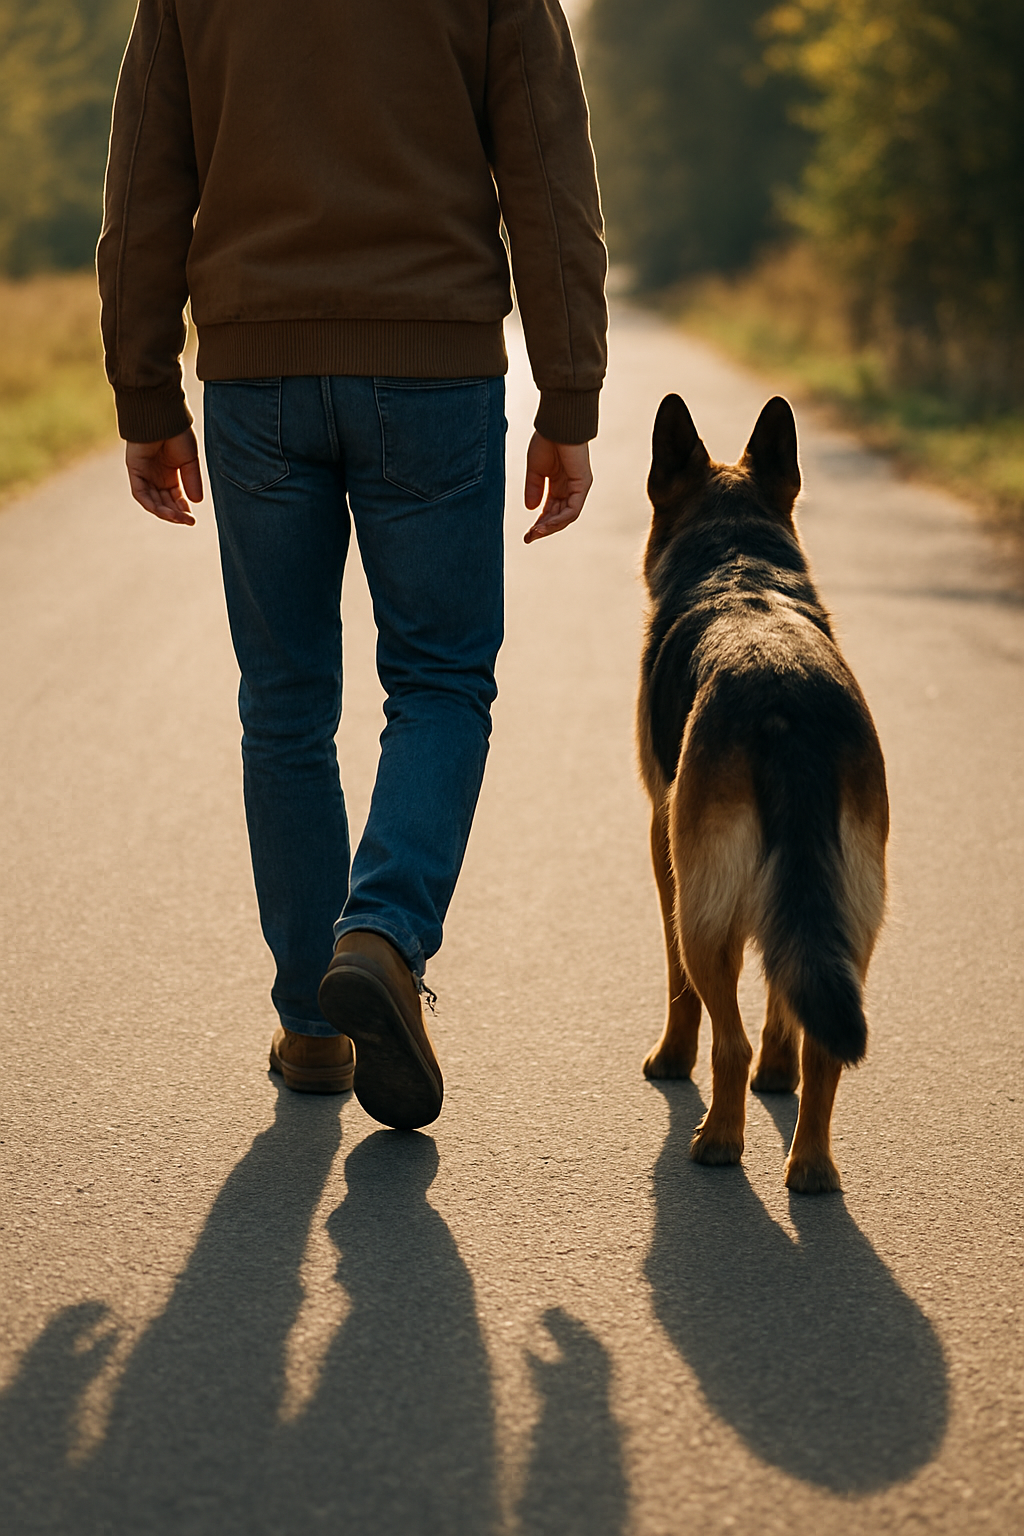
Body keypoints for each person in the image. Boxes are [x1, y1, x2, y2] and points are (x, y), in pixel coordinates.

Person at [98, 0, 607, 1131]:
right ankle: (378, 934)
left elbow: (144, 176)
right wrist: (567, 392)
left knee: (283, 705)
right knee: (437, 683)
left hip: (253, 375)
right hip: (433, 371)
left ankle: (314, 1025)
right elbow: (547, 167)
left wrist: (144, 388)